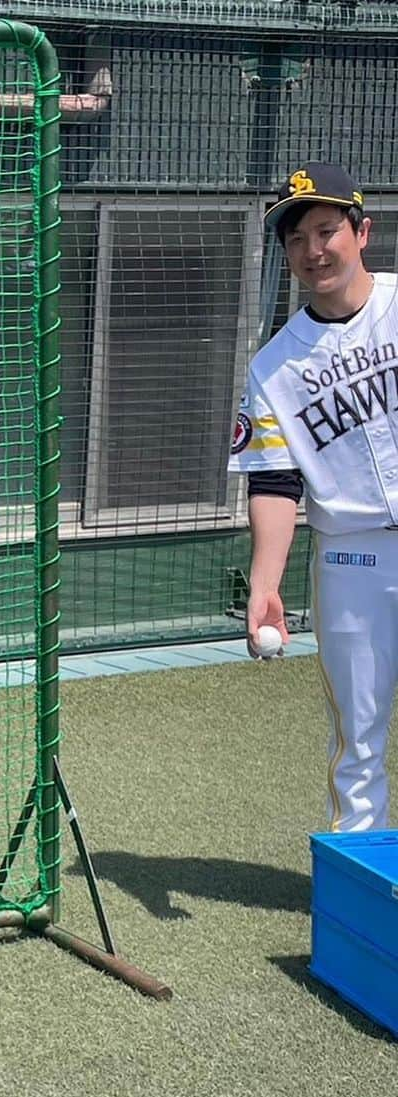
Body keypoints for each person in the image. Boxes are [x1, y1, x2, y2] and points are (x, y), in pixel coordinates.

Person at [228, 162, 398, 831]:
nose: (313, 250)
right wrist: (265, 584)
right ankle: (361, 899)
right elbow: (274, 481)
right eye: (296, 240)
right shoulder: (274, 367)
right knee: (358, 737)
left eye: (327, 230)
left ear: (362, 232)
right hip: (352, 561)